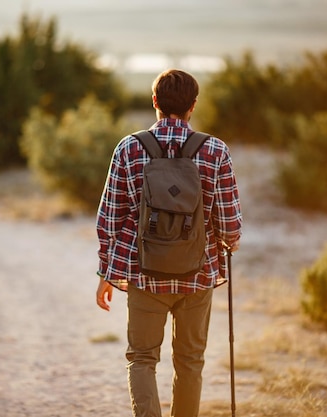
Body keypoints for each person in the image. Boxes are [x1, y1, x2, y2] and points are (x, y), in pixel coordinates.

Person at [96, 69, 242, 417]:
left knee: (143, 358)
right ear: (193, 106)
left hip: (144, 273)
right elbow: (230, 225)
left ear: (154, 102)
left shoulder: (129, 148)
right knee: (190, 361)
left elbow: (109, 219)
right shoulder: (216, 151)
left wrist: (107, 271)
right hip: (197, 275)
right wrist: (227, 244)